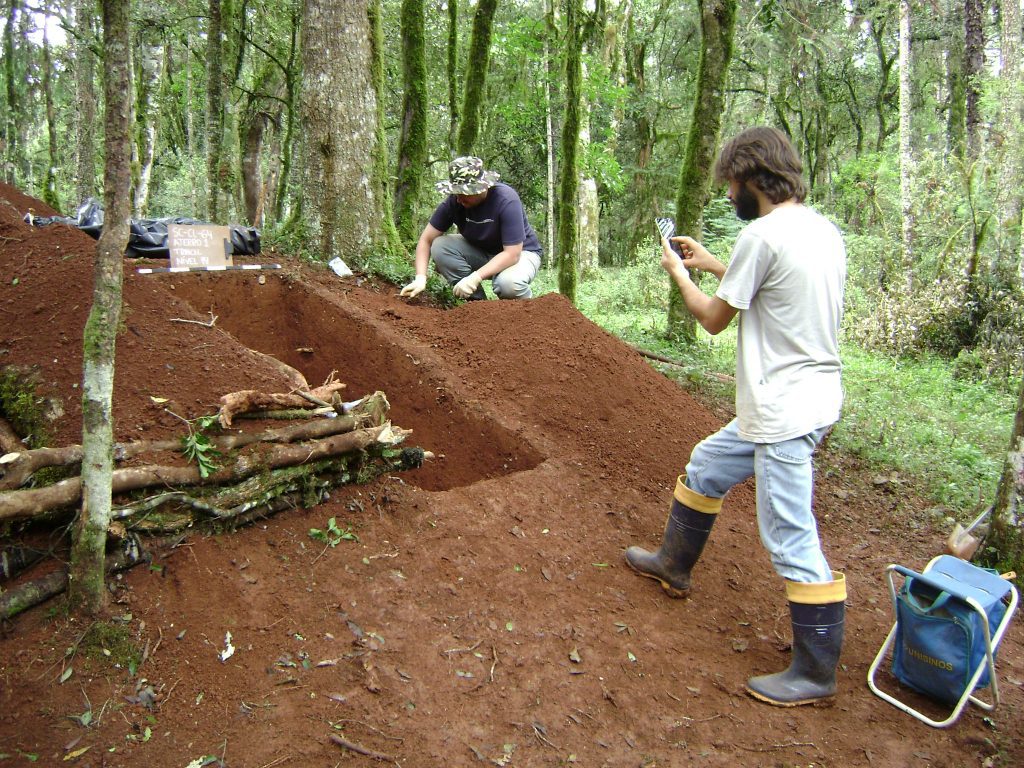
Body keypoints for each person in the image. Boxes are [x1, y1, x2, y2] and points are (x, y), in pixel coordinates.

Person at [624, 126, 848, 707]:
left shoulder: (762, 235)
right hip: (810, 397)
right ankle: (673, 565)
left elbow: (714, 320)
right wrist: (716, 263)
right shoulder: (819, 231)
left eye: (731, 182)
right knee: (706, 466)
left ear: (752, 177)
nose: (728, 194)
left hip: (782, 411)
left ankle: (816, 673)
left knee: (789, 535)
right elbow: (775, 289)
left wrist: (681, 275)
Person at [399, 156, 542, 301]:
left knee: (508, 285)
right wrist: (420, 278)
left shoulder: (506, 200)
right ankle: (477, 306)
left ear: (481, 188)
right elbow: (426, 240)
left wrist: (475, 277)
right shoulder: (455, 202)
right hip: (482, 251)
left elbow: (513, 254)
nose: (459, 198)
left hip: (522, 253)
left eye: (464, 193)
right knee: (440, 246)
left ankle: (528, 313)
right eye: (456, 192)